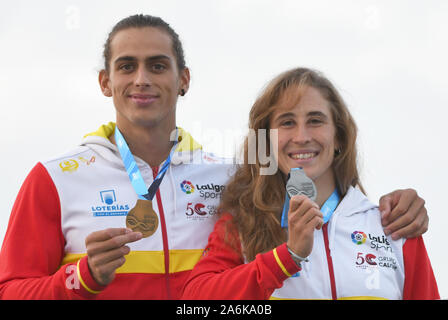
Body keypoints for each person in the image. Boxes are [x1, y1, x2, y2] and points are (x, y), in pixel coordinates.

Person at [0, 15, 430, 300]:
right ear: (104, 82)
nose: (142, 79)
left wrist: (397, 207)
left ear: (183, 79)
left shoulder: (233, 181)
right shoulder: (56, 179)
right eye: (127, 66)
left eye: (158, 65)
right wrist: (81, 279)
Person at [182, 67, 439, 300]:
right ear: (267, 141)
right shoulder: (243, 224)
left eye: (315, 120)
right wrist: (287, 257)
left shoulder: (393, 226)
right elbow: (195, 300)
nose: (302, 137)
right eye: (287, 123)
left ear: (338, 137)